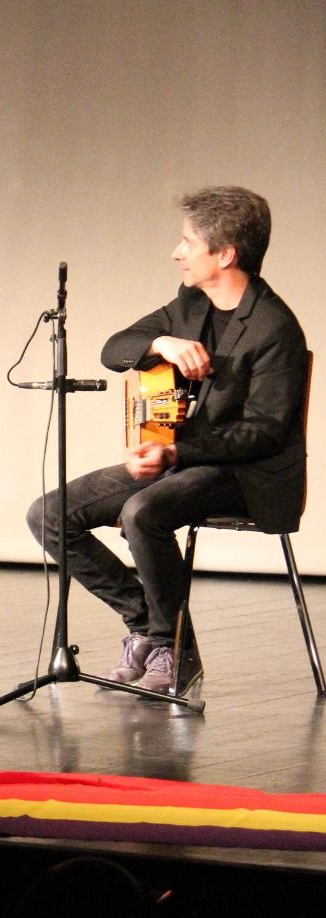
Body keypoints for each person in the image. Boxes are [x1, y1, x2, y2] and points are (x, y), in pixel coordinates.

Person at [27, 187, 308, 694]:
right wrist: (161, 342)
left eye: (187, 243)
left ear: (224, 254)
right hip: (183, 462)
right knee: (49, 514)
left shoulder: (274, 328)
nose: (176, 253)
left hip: (249, 475)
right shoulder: (190, 306)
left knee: (142, 512)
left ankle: (173, 649)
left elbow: (263, 432)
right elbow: (114, 350)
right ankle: (149, 627)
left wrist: (177, 451)